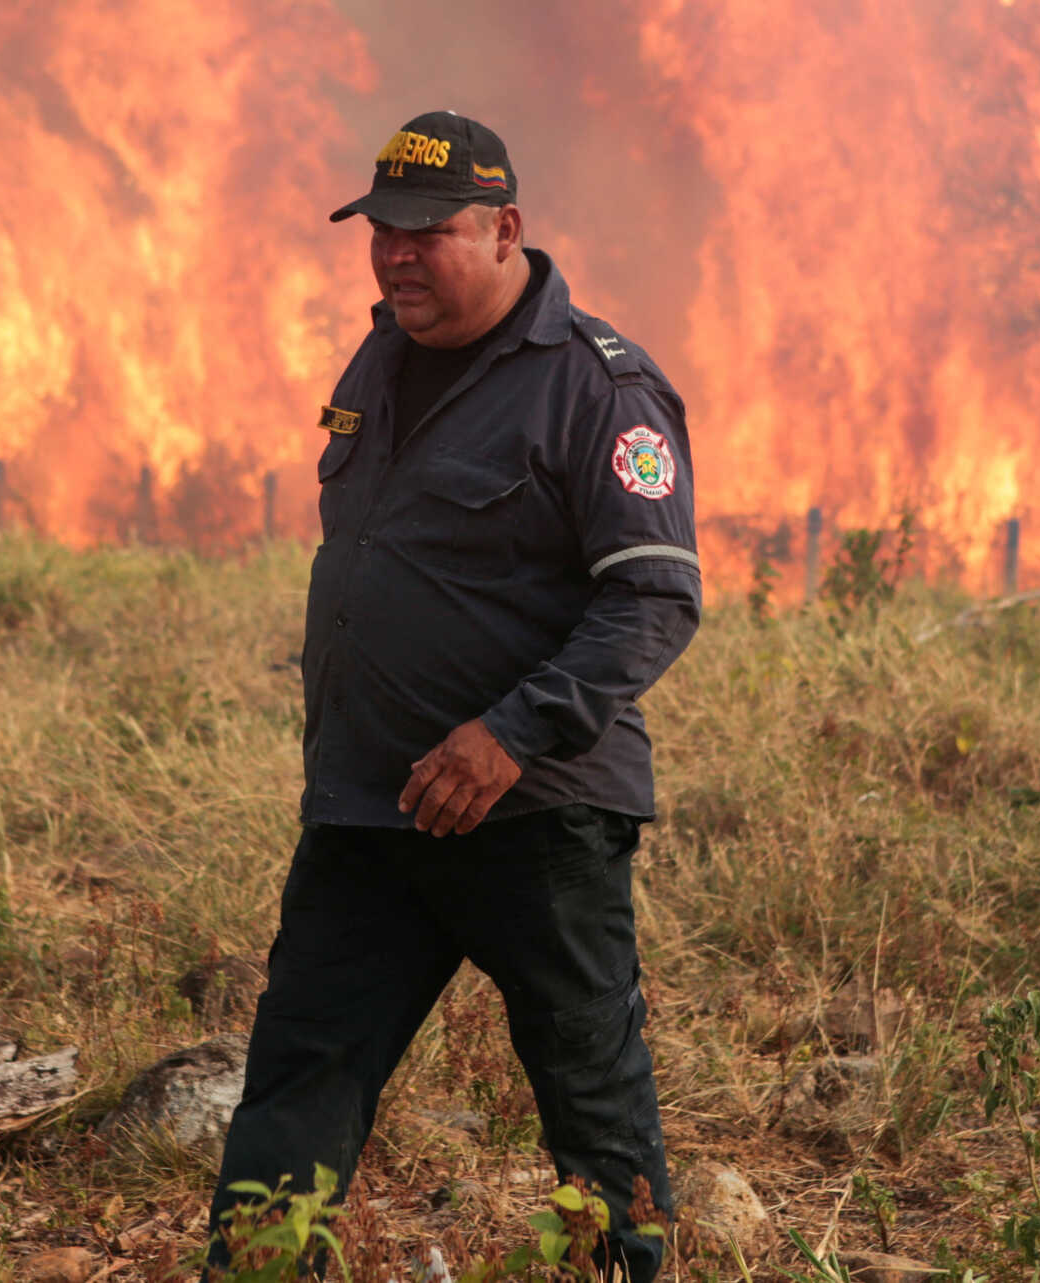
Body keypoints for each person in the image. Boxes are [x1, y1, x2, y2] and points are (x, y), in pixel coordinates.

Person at [207, 110, 702, 1282]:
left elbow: (653, 605)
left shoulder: (597, 390)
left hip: (532, 819)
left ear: (505, 229)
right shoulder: (376, 359)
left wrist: (506, 738)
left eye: (428, 232)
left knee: (594, 1109)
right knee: (292, 1100)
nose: (396, 254)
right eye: (381, 230)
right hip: (370, 812)